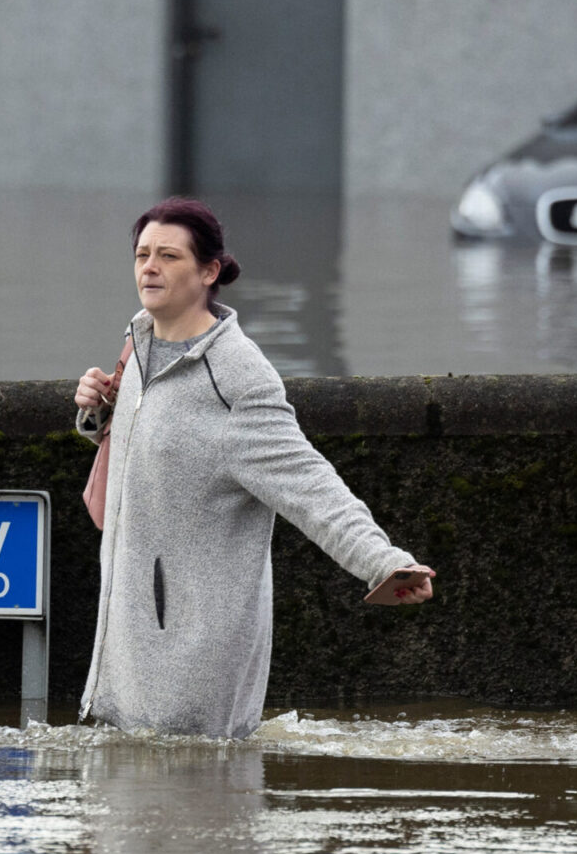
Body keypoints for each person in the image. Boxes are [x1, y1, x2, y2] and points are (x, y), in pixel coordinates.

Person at [72, 197, 434, 739]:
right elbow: (151, 447)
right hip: (124, 630)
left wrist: (384, 562)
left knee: (198, 794)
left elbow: (308, 482)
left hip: (194, 642)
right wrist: (95, 412)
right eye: (142, 253)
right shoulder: (139, 342)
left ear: (209, 271)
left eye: (169, 256)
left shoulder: (239, 376)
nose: (149, 267)